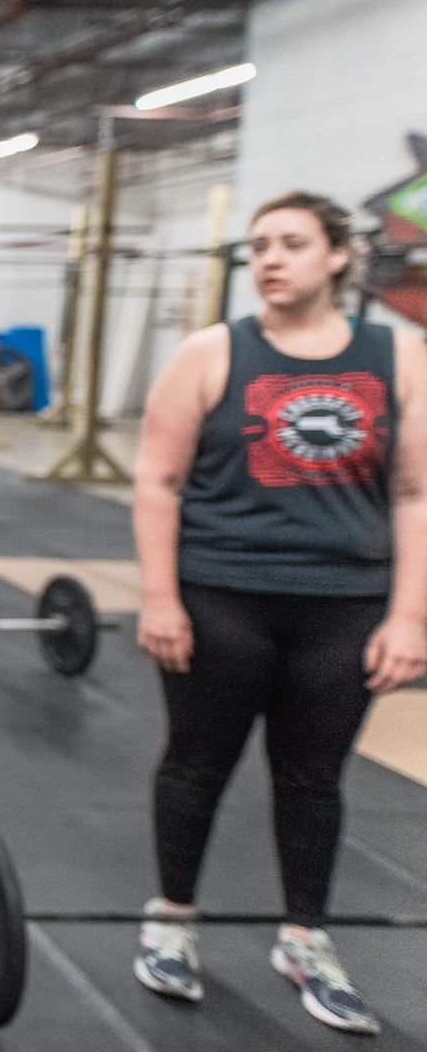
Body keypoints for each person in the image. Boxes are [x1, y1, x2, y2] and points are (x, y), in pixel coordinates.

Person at [129, 192, 426, 1035]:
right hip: (221, 597)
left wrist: (409, 617)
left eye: (291, 243)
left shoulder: (399, 357)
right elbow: (157, 480)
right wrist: (160, 597)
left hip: (344, 608)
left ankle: (305, 939)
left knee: (313, 778)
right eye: (259, 245)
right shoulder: (212, 352)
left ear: (338, 256)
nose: (269, 259)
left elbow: (414, 492)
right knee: (196, 766)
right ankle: (171, 922)